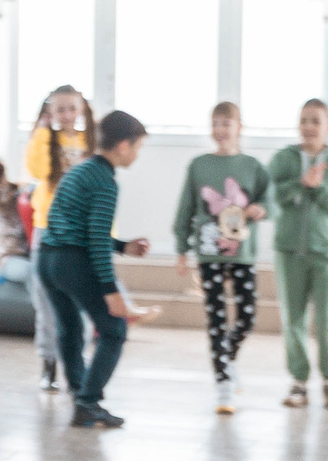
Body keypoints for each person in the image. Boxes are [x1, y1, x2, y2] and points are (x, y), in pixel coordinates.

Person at [39, 109, 151, 429]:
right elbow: (96, 241)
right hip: (72, 262)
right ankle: (89, 402)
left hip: (47, 259)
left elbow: (87, 230)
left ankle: (79, 392)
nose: (138, 155)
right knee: (115, 329)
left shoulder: (80, 170)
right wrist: (110, 290)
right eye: (138, 147)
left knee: (70, 329)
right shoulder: (105, 181)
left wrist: (124, 246)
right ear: (123, 146)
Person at [177, 102, 273, 415]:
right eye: (215, 123)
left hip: (242, 254)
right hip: (208, 253)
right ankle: (222, 384)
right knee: (216, 319)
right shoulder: (198, 165)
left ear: (239, 127)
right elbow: (187, 208)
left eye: (226, 124)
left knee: (247, 317)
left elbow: (268, 199)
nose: (220, 130)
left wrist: (261, 209)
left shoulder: (253, 166)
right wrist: (182, 248)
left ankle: (226, 359)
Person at [268, 98, 328, 411]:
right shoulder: (283, 159)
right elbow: (271, 194)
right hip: (289, 250)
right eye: (304, 120)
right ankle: (299, 382)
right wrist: (301, 184)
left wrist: (319, 188)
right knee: (293, 319)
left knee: (326, 316)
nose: (309, 127)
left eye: (315, 121)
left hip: (325, 251)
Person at [23, 88, 93, 390]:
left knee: (84, 303)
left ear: (80, 110)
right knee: (46, 302)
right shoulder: (46, 140)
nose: (66, 115)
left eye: (71, 109)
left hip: (81, 230)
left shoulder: (90, 142)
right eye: (59, 110)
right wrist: (41, 130)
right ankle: (48, 362)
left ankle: (76, 364)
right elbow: (37, 169)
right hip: (48, 228)